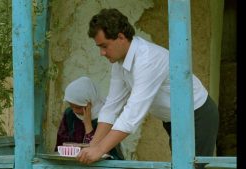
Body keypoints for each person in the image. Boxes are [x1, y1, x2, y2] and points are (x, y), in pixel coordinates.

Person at [76, 8, 219, 169]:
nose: (101, 53)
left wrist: (101, 149)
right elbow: (111, 108)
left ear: (121, 37)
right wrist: (93, 147)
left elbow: (132, 114)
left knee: (189, 167)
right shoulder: (119, 63)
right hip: (173, 119)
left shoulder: (147, 59)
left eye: (104, 46)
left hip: (198, 115)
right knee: (181, 166)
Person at [54, 76, 124, 160]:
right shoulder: (69, 114)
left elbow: (103, 151)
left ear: (91, 101)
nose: (74, 110)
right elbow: (61, 144)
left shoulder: (106, 117)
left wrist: (88, 126)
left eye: (78, 107)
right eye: (71, 106)